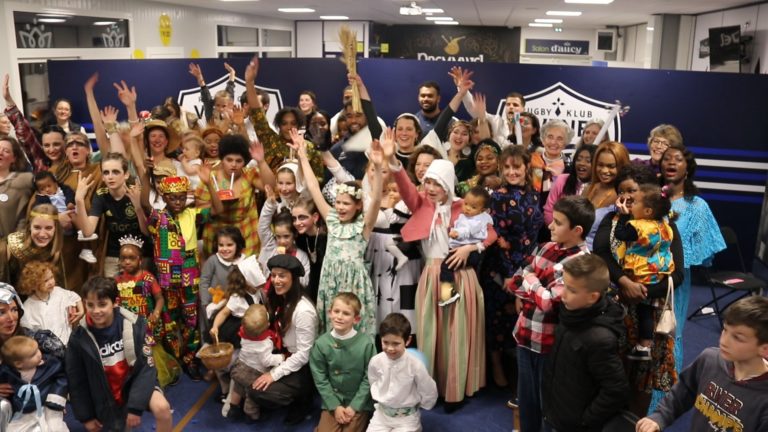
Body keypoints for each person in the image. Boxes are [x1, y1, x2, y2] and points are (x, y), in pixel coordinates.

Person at [383, 128, 488, 411]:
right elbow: (406, 187)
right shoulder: (421, 204)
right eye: (427, 181)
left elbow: (490, 234)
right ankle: (433, 388)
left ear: (448, 184)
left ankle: (455, 391)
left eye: (436, 183)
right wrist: (393, 161)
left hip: (458, 276)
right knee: (431, 332)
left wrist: (469, 248)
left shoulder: (463, 207)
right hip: (431, 276)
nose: (429, 188)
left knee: (455, 333)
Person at [592, 163, 685, 416]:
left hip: (649, 312)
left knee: (641, 380)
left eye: (632, 190)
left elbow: (677, 274)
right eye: (621, 191)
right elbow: (601, 253)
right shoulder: (613, 221)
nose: (626, 196)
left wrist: (643, 291)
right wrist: (625, 283)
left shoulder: (665, 225)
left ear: (647, 193)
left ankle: (635, 422)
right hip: (614, 307)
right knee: (608, 374)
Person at [508, 195, 594, 431]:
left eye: (558, 222)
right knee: (527, 404)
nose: (550, 226)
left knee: (549, 409)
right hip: (525, 336)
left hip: (550, 346)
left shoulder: (580, 263)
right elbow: (515, 281)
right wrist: (537, 284)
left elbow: (548, 303)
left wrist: (531, 279)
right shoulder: (546, 247)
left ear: (577, 230)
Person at [293, 129, 382, 337]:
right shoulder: (331, 219)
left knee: (354, 331)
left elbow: (377, 199)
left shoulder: (363, 225)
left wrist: (378, 167)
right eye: (338, 203)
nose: (340, 207)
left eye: (346, 204)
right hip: (330, 282)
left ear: (358, 206)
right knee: (332, 330)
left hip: (354, 286)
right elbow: (314, 188)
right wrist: (302, 156)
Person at [636, 296, 768, 432]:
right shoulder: (710, 360)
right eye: (725, 330)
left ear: (765, 349)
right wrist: (659, 417)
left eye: (738, 338)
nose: (724, 341)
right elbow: (683, 391)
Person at [66, 276, 172, 432]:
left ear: (115, 302)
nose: (96, 311)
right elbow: (76, 380)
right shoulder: (78, 338)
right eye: (90, 305)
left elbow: (145, 368)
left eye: (102, 304)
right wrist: (86, 417)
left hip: (133, 382)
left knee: (162, 408)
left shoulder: (135, 324)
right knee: (120, 427)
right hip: (104, 392)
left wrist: (135, 407)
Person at [541, 254, 629, 431]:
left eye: (572, 290)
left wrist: (584, 421)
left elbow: (616, 389)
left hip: (573, 424)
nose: (563, 294)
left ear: (592, 297)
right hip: (554, 412)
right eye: (564, 285)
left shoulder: (600, 339)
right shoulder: (571, 313)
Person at [483, 145, 543, 388]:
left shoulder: (534, 194)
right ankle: (496, 367)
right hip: (501, 269)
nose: (511, 172)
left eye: (516, 167)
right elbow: (497, 238)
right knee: (497, 320)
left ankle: (521, 373)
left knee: (520, 321)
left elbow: (534, 235)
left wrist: (528, 270)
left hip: (526, 265)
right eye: (506, 167)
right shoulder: (498, 197)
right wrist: (509, 275)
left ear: (526, 167)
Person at [249, 254, 318, 426]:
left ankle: (301, 399)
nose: (276, 280)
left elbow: (304, 355)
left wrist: (273, 374)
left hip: (301, 366)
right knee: (246, 373)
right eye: (273, 275)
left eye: (282, 276)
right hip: (282, 354)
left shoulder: (303, 311)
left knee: (258, 392)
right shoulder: (281, 299)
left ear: (293, 278)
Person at [615, 184, 675, 361]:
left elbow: (620, 234)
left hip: (640, 273)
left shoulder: (638, 226)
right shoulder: (664, 225)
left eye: (635, 202)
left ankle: (641, 346)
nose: (631, 205)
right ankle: (645, 345)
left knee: (638, 309)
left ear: (648, 211)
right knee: (646, 310)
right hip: (659, 272)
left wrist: (623, 215)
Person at [195, 134, 274, 258]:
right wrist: (217, 204)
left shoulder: (249, 174)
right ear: (222, 159)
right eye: (229, 160)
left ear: (244, 162)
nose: (233, 164)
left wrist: (261, 161)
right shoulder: (210, 177)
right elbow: (199, 209)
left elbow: (270, 187)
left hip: (246, 235)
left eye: (238, 161)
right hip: (217, 235)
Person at [310, 292, 376, 432]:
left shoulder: (366, 344)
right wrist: (334, 406)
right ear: (330, 313)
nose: (339, 317)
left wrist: (355, 406)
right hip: (332, 399)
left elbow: (370, 377)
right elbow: (320, 379)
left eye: (346, 313)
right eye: (336, 311)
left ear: (356, 319)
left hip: (359, 401)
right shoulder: (321, 344)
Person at [75, 152, 148, 277]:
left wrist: (138, 207)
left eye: (115, 172)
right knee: (110, 288)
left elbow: (147, 232)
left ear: (126, 174)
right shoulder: (101, 195)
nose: (110, 177)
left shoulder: (136, 191)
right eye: (106, 172)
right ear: (102, 177)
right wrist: (79, 200)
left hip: (141, 254)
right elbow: (88, 232)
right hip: (114, 255)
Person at [367, 312, 437, 431]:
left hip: (407, 418)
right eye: (385, 342)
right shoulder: (375, 361)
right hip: (381, 415)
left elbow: (428, 388)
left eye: (396, 343)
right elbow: (373, 381)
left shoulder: (415, 365)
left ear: (407, 340)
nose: (390, 348)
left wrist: (426, 404)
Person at [439, 186, 496, 306]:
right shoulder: (465, 216)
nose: (468, 208)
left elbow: (468, 231)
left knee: (446, 266)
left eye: (473, 207)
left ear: (482, 210)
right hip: (467, 251)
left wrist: (458, 234)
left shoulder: (478, 220)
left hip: (473, 253)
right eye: (466, 204)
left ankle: (449, 294)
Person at [227, 303, 284, 422]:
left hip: (239, 366)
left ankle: (233, 409)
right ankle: (251, 414)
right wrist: (281, 357)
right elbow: (267, 361)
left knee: (238, 387)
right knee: (252, 395)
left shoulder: (243, 333)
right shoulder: (265, 343)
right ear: (267, 325)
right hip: (253, 373)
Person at [0, 335, 68, 431]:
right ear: (19, 364)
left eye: (37, 349)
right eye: (33, 355)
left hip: (48, 405)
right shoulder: (7, 372)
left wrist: (56, 400)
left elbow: (62, 379)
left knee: (55, 427)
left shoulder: (51, 365)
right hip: (22, 410)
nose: (39, 354)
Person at [31, 170, 98, 264]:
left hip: (70, 212)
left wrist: (70, 202)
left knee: (76, 217)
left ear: (55, 183)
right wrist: (56, 217)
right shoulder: (41, 199)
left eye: (49, 186)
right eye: (42, 189)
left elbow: (71, 194)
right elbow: (39, 211)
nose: (47, 190)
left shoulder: (64, 189)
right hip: (57, 220)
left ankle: (84, 239)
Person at [0, 204, 66, 289]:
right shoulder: (6, 250)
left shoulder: (54, 250)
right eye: (37, 227)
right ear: (29, 227)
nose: (42, 234)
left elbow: (59, 287)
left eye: (48, 228)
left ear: (55, 229)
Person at [199, 226, 247, 343]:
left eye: (229, 245)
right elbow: (204, 281)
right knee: (214, 333)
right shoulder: (213, 260)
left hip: (234, 305)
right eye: (221, 245)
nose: (225, 249)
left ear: (238, 245)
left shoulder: (244, 262)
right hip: (214, 305)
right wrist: (205, 303)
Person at [18, 261, 83, 346]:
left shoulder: (58, 292)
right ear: (33, 284)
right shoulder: (28, 307)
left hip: (70, 343)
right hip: (49, 349)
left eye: (51, 277)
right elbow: (28, 333)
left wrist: (81, 311)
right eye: (45, 281)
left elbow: (74, 296)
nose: (51, 282)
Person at [257, 187, 311, 286]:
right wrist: (269, 205)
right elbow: (262, 227)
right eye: (278, 237)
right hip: (266, 293)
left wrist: (288, 269)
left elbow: (305, 282)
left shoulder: (302, 256)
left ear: (294, 235)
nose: (282, 241)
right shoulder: (270, 246)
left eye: (286, 236)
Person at [582, 141, 631, 249]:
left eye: (611, 166)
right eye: (600, 165)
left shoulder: (624, 198)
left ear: (622, 167)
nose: (604, 170)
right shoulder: (588, 189)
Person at [543, 145, 594, 225]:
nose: (582, 163)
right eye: (578, 159)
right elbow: (549, 211)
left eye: (588, 161)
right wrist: (559, 229)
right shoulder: (562, 179)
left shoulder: (598, 188)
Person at [0, 137, 33, 241]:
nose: (0, 153)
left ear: (13, 158)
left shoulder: (25, 179)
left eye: (6, 151)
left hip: (9, 245)